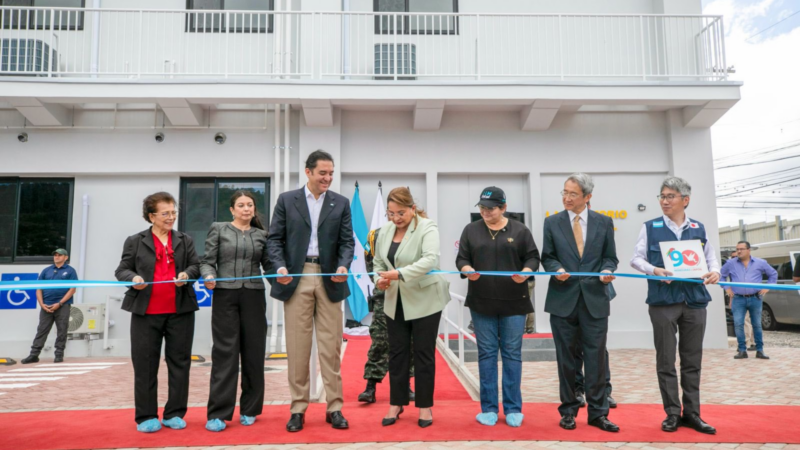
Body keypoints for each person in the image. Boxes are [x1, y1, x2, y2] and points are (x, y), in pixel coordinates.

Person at [267, 150, 355, 432]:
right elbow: (274, 240)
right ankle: (298, 409)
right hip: (297, 276)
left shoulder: (341, 203)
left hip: (330, 277)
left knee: (331, 348)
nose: (328, 178)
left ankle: (334, 408)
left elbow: (347, 242)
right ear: (308, 172)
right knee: (297, 347)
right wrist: (280, 267)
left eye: (331, 173)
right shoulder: (287, 200)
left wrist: (343, 266)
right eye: (322, 173)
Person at [630, 176, 720, 435]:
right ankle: (672, 413)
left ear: (685, 200)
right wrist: (654, 269)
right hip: (663, 301)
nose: (665, 201)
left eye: (670, 196)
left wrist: (715, 272)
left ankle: (693, 413)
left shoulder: (699, 228)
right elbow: (636, 259)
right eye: (662, 196)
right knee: (666, 360)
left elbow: (712, 258)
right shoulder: (650, 227)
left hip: (695, 300)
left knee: (692, 360)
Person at [115, 192, 200, 433]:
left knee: (180, 363)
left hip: (180, 311)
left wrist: (187, 275)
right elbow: (122, 270)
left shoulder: (185, 239)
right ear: (151, 216)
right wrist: (134, 279)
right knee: (145, 365)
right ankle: (146, 416)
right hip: (146, 313)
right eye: (165, 213)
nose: (171, 217)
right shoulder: (135, 241)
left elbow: (196, 266)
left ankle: (174, 413)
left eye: (173, 212)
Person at [541, 173, 619, 433]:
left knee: (596, 358)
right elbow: (547, 257)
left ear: (587, 197)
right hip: (562, 298)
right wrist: (556, 269)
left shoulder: (604, 222)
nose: (566, 197)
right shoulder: (552, 222)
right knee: (566, 359)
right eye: (564, 192)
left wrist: (607, 271)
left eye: (572, 194)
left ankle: (599, 413)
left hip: (595, 298)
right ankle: (568, 411)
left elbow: (610, 257)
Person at [456, 186, 540, 427]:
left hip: (514, 303)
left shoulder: (520, 230)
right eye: (482, 208)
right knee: (487, 354)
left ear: (503, 208)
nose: (485, 212)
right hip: (481, 303)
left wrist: (526, 272)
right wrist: (467, 270)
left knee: (512, 354)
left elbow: (533, 257)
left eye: (490, 209)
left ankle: (513, 408)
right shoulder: (471, 230)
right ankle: (489, 408)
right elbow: (462, 258)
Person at [374, 187, 449, 428]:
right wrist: (379, 280)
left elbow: (430, 260)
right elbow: (378, 262)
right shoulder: (384, 231)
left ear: (412, 209)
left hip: (425, 299)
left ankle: (425, 406)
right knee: (397, 354)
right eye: (391, 213)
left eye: (401, 213)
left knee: (423, 354)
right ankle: (396, 403)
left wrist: (399, 274)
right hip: (395, 300)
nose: (395, 218)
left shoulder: (427, 227)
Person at [201, 190, 271, 432]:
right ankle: (218, 413)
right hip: (225, 295)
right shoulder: (219, 229)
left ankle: (250, 409)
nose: (246, 209)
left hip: (253, 295)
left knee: (254, 353)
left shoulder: (262, 235)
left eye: (250, 205)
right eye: (241, 205)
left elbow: (269, 264)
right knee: (225, 353)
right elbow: (207, 261)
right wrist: (208, 275)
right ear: (232, 210)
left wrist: (281, 273)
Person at [358, 226, 416, 404]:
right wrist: (382, 280)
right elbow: (371, 268)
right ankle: (370, 387)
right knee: (380, 340)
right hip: (385, 296)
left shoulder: (416, 233)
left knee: (408, 341)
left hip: (409, 295)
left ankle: (405, 385)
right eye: (391, 213)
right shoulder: (376, 235)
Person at [720, 240, 776, 360]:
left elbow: (773, 274)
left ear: (748, 250)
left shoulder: (760, 262)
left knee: (757, 325)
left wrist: (767, 287)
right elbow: (721, 276)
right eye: (737, 249)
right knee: (738, 324)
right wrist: (727, 288)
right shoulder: (730, 263)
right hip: (738, 299)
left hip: (755, 298)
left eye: (741, 249)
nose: (739, 251)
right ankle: (742, 350)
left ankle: (760, 350)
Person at [20, 249, 78, 364]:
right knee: (42, 330)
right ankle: (34, 355)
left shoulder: (70, 271)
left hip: (62, 305)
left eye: (60, 255)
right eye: (55, 255)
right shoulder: (46, 270)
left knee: (62, 330)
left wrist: (60, 303)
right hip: (46, 305)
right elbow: (39, 288)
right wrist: (42, 304)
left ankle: (59, 355)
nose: (57, 257)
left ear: (66, 257)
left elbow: (72, 289)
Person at [575, 283, 617, 409]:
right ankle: (576, 389)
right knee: (575, 345)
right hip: (572, 294)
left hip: (595, 292)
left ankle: (604, 390)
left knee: (599, 348)